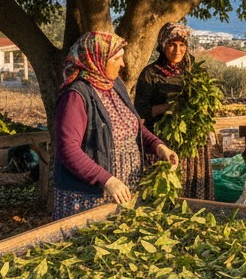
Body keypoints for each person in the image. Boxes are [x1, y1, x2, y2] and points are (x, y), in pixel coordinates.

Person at [53, 31, 178, 221]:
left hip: (122, 190)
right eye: (117, 59)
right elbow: (68, 150)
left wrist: (159, 146)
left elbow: (133, 125)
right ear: (98, 59)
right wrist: (107, 180)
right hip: (91, 195)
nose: (123, 64)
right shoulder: (76, 96)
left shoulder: (115, 85)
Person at [134, 21, 215, 200]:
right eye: (171, 44)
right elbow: (141, 113)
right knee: (167, 192)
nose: (177, 50)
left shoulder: (194, 72)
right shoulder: (150, 74)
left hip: (194, 143)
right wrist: (170, 107)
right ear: (162, 45)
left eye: (181, 45)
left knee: (192, 190)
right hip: (164, 142)